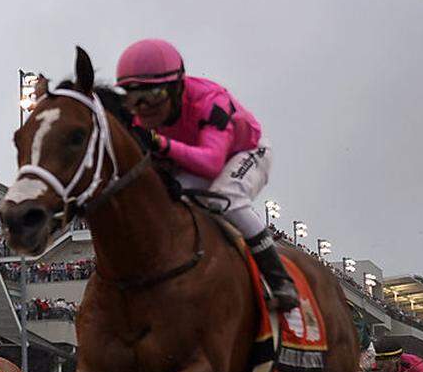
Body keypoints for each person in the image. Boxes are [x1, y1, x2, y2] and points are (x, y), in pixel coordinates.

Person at [115, 38, 298, 311]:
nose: (143, 108)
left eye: (153, 96)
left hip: (245, 151)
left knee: (224, 195)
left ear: (176, 88)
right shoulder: (140, 115)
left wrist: (160, 144)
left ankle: (279, 278)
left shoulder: (210, 102)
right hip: (193, 156)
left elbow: (212, 164)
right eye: (133, 96)